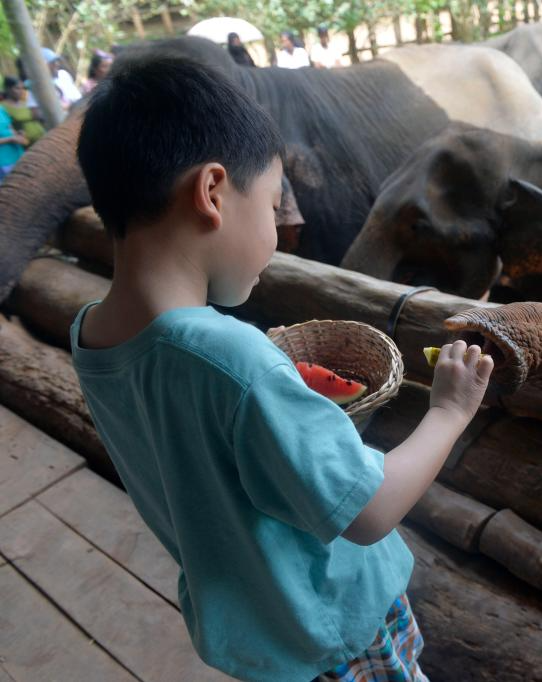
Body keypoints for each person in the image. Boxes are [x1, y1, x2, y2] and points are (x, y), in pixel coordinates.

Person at [70, 52, 492, 681]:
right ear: (212, 192)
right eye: (272, 206)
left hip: (257, 640)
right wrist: (450, 411)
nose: (278, 228)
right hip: (336, 635)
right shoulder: (235, 361)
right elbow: (369, 512)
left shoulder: (91, 334)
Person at [2, 76, 46, 146]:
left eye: (23, 88)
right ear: (8, 89)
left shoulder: (26, 102)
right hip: (27, 144)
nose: (21, 91)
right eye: (17, 88)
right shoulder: (3, 108)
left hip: (42, 136)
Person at [0, 104, 28, 181]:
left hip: (18, 155)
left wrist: (19, 135)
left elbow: (10, 129)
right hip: (3, 163)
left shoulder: (1, 109)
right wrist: (10, 139)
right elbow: (11, 137)